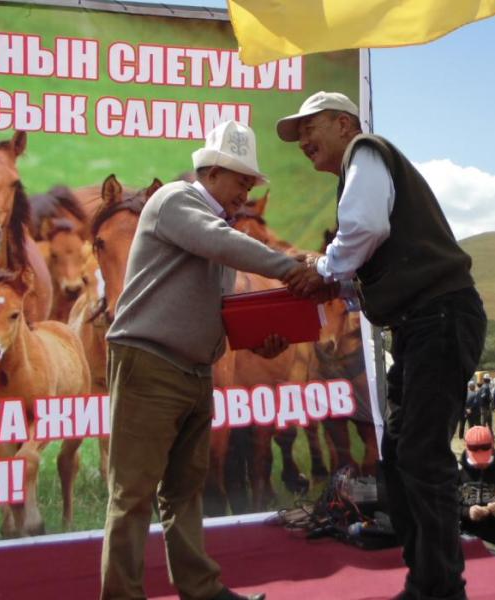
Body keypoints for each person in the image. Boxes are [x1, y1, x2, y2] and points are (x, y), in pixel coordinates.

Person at [278, 91, 487, 600]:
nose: (303, 141)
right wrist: (335, 282)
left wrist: (324, 269)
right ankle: (425, 581)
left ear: (344, 124)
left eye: (310, 127)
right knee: (398, 454)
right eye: (299, 134)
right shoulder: (363, 168)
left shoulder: (366, 152)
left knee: (420, 454)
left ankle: (439, 589)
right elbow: (375, 261)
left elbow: (367, 227)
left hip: (438, 318)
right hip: (422, 324)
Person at [100, 121, 308, 600]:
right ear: (212, 172)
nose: (246, 194)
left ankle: (202, 590)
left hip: (194, 371)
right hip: (149, 363)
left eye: (251, 185)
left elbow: (221, 311)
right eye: (241, 182)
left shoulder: (217, 233)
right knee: (132, 494)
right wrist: (293, 268)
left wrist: (258, 341)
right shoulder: (175, 200)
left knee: (184, 490)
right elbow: (221, 242)